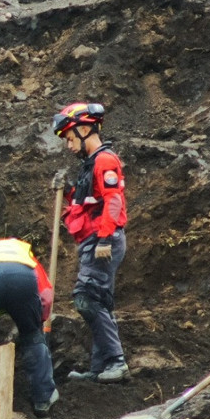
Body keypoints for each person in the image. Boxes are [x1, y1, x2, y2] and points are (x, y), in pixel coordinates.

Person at [53, 102, 129, 383]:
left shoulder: (104, 160)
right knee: (99, 302)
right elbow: (86, 206)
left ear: (85, 129)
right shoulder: (90, 165)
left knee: (87, 299)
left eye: (71, 138)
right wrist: (66, 197)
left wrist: (105, 238)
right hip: (92, 240)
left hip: (102, 240)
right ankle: (100, 367)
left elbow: (113, 201)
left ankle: (116, 361)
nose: (69, 145)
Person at [0, 238, 60, 416]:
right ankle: (44, 397)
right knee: (31, 335)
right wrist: (38, 322)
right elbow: (45, 296)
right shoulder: (22, 251)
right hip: (22, 275)